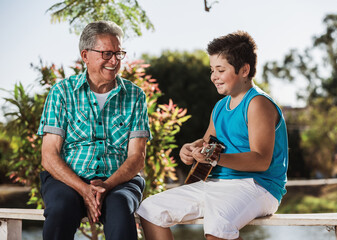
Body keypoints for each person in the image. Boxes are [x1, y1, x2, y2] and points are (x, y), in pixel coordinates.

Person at [137, 30, 288, 240]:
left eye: (220, 69)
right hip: (216, 184)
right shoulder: (220, 107)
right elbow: (207, 144)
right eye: (212, 70)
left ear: (244, 70)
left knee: (217, 225)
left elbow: (261, 160)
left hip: (258, 186)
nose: (213, 76)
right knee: (150, 210)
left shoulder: (257, 104)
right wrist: (191, 149)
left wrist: (215, 157)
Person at [37, 20, 151, 240]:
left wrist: (106, 185)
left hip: (119, 181)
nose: (114, 61)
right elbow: (49, 156)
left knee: (119, 206)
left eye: (119, 54)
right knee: (60, 208)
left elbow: (137, 157)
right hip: (68, 180)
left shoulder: (135, 95)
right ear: (85, 55)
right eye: (107, 54)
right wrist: (83, 189)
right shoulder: (62, 92)